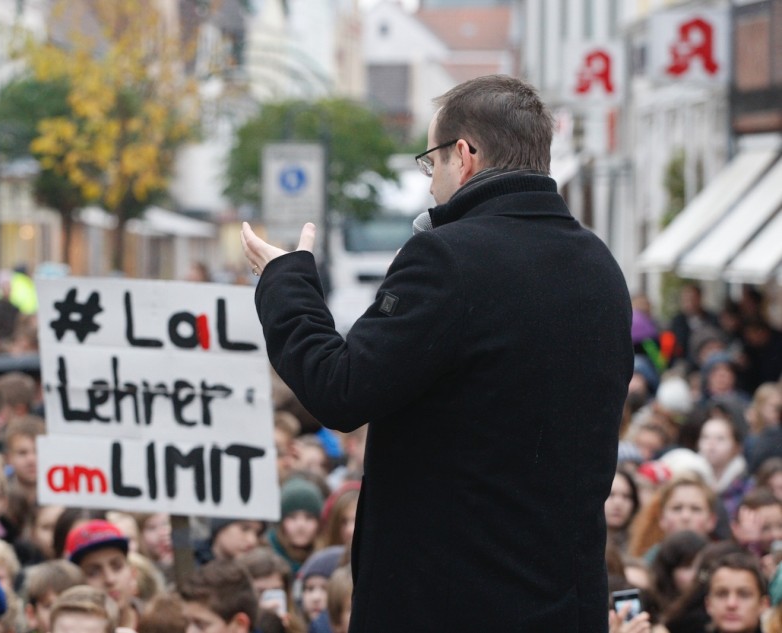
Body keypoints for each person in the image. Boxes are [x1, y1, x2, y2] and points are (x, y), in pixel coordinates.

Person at [240, 74, 634, 630]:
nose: (430, 187)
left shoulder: (448, 259)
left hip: (448, 605)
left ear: (464, 155)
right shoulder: (600, 267)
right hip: (562, 605)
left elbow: (340, 390)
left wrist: (285, 283)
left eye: (431, 164)